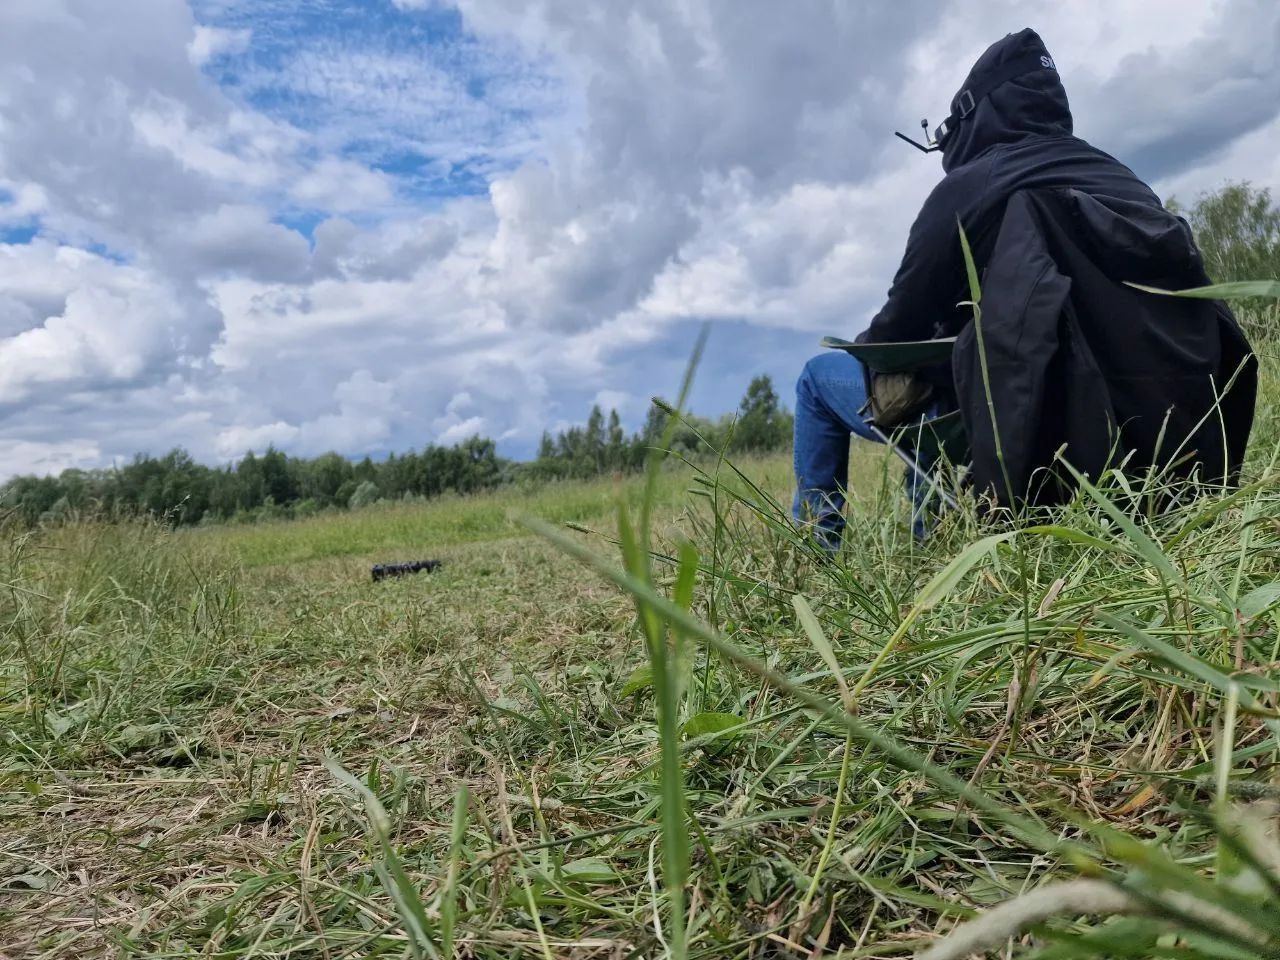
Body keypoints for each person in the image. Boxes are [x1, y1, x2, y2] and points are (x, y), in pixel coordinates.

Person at [793, 26, 1256, 549]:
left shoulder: (971, 186)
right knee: (958, 368)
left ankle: (819, 547)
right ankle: (930, 534)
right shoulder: (1123, 180)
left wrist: (871, 347)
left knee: (821, 381)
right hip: (1159, 449)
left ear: (975, 114)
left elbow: (898, 327)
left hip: (1025, 432)